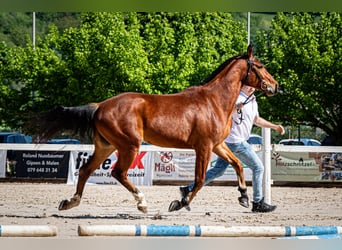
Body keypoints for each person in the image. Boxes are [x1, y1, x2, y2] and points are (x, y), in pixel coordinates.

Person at [180, 85, 285, 213]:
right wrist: (236, 108)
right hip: (236, 142)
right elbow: (223, 114)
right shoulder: (235, 97)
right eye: (249, 86)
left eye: (253, 87)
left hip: (229, 142)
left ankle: (188, 189)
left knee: (218, 171)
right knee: (258, 168)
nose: (251, 89)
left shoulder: (252, 100)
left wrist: (275, 127)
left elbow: (256, 120)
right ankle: (258, 202)